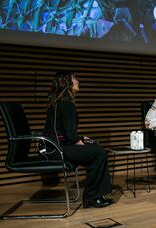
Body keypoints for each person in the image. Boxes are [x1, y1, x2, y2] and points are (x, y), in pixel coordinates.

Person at [44, 71, 112, 208]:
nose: (78, 82)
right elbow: (69, 133)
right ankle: (94, 197)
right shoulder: (65, 103)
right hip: (56, 149)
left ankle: (95, 195)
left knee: (94, 149)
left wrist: (81, 139)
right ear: (67, 82)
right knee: (98, 153)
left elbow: (62, 130)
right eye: (75, 79)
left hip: (53, 147)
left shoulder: (60, 102)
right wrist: (79, 141)